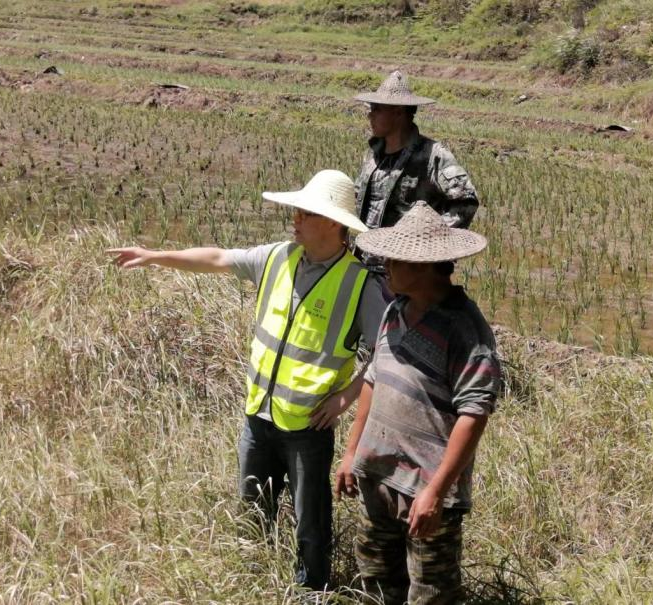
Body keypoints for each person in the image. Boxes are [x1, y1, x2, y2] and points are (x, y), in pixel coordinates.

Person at [108, 170, 387, 591]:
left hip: (307, 427)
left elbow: (387, 352)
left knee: (310, 523)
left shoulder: (359, 283)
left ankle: (311, 593)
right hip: (258, 415)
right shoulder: (277, 257)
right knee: (254, 509)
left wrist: (345, 398)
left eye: (305, 213)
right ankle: (254, 580)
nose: (294, 218)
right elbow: (219, 259)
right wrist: (155, 255)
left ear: (333, 223)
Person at [335, 201, 501, 605]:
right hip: (377, 476)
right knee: (376, 582)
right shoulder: (395, 310)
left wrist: (437, 492)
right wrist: (351, 453)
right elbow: (374, 380)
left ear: (425, 265)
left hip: (424, 489)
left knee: (431, 594)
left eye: (395, 259)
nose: (386, 266)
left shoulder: (466, 329)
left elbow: (473, 414)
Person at [353, 71, 479, 270]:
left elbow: (466, 202)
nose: (370, 115)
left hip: (405, 272)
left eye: (377, 109)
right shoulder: (372, 156)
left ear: (398, 112)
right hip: (362, 266)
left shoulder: (432, 156)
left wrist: (427, 243)